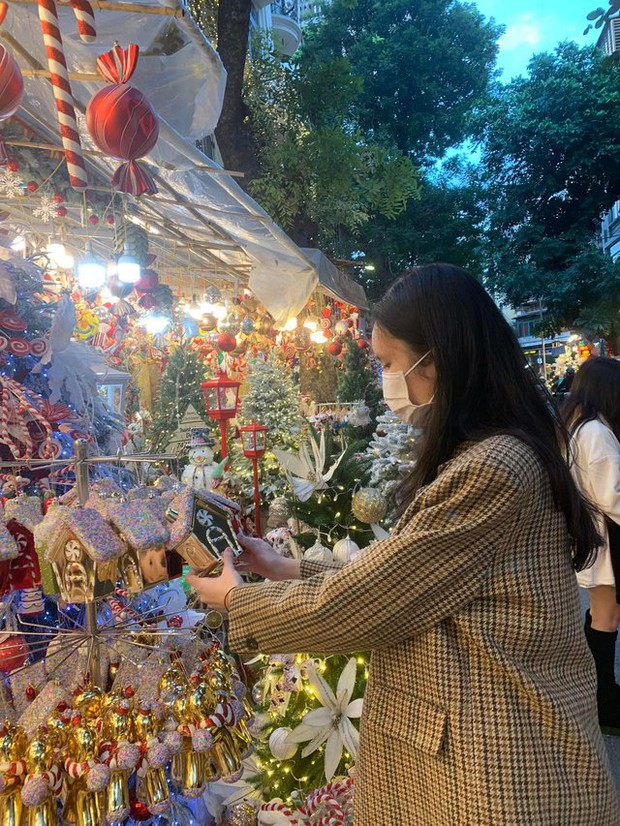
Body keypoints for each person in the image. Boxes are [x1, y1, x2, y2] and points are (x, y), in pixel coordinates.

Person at [187, 264, 617, 825]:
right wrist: (286, 567)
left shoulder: (493, 466)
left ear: (434, 360)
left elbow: (375, 599)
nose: (388, 382)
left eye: (390, 365)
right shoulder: (496, 452)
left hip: (496, 764)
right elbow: (407, 577)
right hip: (489, 746)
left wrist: (236, 601)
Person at [562, 357, 620, 732]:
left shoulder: (578, 427)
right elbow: (613, 494)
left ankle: (602, 694)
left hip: (596, 540)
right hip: (605, 542)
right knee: (605, 616)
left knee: (605, 615)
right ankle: (601, 700)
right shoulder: (596, 431)